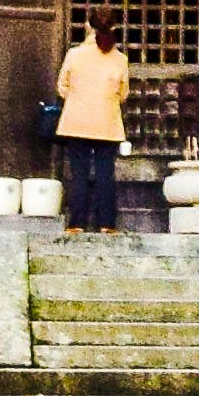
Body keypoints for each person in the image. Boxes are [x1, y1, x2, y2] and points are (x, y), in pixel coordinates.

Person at [52, 14, 131, 232]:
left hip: (77, 122)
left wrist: (78, 98)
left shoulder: (75, 55)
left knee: (80, 174)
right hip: (107, 123)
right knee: (105, 174)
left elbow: (62, 87)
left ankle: (77, 223)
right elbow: (123, 94)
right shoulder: (120, 59)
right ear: (114, 28)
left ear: (88, 26)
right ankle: (107, 223)